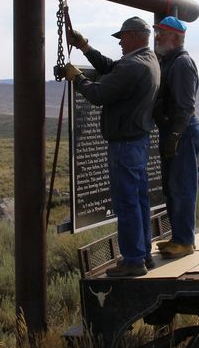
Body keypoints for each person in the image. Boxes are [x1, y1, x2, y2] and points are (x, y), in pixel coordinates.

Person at [64, 17, 160, 277]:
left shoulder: (132, 66)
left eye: (122, 37)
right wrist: (85, 48)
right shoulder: (147, 61)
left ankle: (132, 261)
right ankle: (143, 254)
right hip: (138, 142)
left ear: (135, 36)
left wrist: (77, 78)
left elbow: (99, 95)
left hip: (124, 146)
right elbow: (111, 68)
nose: (120, 42)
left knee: (127, 203)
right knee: (139, 200)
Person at [153, 16, 199, 259]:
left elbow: (185, 107)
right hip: (174, 131)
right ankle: (178, 237)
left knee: (182, 186)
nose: (157, 36)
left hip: (181, 131)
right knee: (172, 186)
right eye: (157, 31)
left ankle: (185, 241)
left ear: (174, 37)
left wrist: (173, 136)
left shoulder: (182, 64)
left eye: (161, 32)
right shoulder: (169, 61)